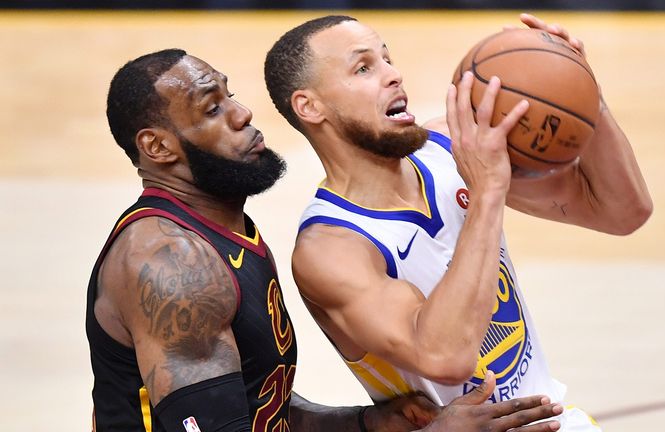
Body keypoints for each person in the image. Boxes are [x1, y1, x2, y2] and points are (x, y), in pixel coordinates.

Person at [86, 48, 566, 432]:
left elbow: (258, 406)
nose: (242, 113)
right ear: (158, 147)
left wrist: (364, 422)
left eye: (230, 96)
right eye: (213, 109)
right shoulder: (172, 264)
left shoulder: (223, 234)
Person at [263, 13, 652, 432]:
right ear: (310, 106)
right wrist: (486, 193)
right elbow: (444, 357)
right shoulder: (332, 247)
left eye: (387, 58)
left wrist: (580, 88)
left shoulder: (451, 149)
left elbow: (623, 211)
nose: (394, 75)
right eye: (364, 67)